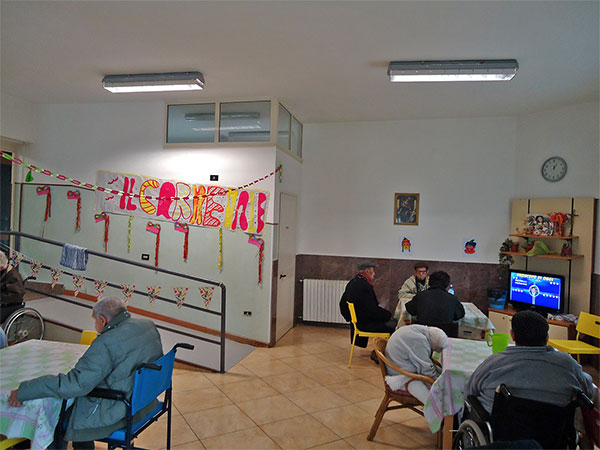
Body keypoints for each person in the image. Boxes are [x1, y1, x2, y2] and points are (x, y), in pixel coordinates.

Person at [8, 296, 163, 449]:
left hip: (118, 410)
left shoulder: (106, 342)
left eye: (95, 320)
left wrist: (25, 390)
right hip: (143, 402)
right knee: (75, 402)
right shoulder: (147, 325)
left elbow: (75, 384)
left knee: (54, 417)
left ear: (102, 320)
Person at [466, 310, 596, 415]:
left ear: (512, 335)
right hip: (553, 434)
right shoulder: (567, 364)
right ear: (547, 338)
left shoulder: (494, 363)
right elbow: (588, 391)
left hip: (501, 432)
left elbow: (471, 391)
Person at [339, 261, 396, 351]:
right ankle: (388, 353)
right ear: (367, 271)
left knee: (389, 319)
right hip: (364, 324)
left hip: (359, 321)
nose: (374, 274)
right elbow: (371, 310)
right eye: (373, 271)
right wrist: (388, 315)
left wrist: (351, 319)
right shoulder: (363, 285)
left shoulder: (354, 281)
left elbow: (342, 303)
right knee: (394, 325)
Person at [384, 325, 447, 404]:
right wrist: (439, 381)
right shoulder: (419, 341)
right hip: (398, 374)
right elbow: (426, 368)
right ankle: (435, 407)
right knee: (435, 392)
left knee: (439, 372)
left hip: (396, 363)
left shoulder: (419, 330)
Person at [405, 270, 465, 336]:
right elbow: (460, 314)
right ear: (446, 284)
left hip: (422, 335)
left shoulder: (421, 296)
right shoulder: (452, 299)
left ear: (429, 282)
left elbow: (410, 310)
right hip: (445, 336)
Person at [0, 250, 26, 324]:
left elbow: (16, 295)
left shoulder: (14, 277)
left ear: (1, 267)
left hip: (10, 305)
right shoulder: (4, 271)